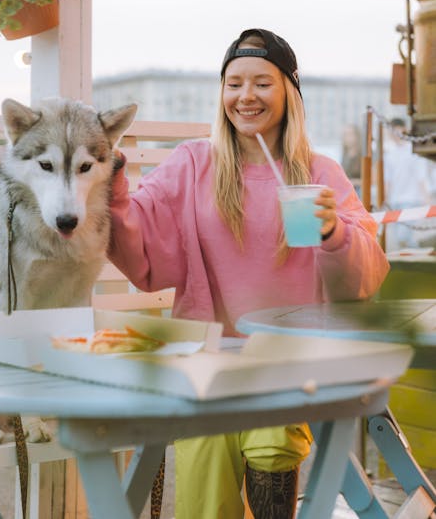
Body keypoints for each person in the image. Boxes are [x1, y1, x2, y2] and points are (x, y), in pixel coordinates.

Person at [109, 28, 390, 519]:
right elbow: (139, 239)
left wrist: (334, 236)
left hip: (291, 359)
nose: (246, 96)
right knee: (205, 469)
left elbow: (364, 278)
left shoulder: (320, 173)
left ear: (289, 92)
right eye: (234, 83)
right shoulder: (193, 164)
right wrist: (110, 190)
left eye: (262, 82)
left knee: (271, 436)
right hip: (208, 359)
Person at [383, 118, 434, 251]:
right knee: (402, 239)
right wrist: (386, 200)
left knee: (404, 238)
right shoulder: (389, 155)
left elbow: (421, 177)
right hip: (395, 201)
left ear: (404, 129)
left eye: (396, 130)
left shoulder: (413, 152)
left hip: (412, 200)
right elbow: (388, 180)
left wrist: (427, 200)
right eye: (391, 130)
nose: (393, 133)